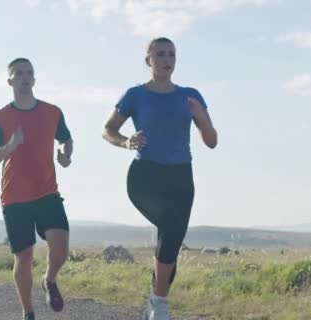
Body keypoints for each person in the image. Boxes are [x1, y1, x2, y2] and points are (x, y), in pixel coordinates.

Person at [102, 37, 217, 320]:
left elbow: (212, 141)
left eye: (172, 55)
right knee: (170, 228)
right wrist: (125, 142)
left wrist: (201, 117)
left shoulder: (190, 95)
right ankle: (160, 305)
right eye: (160, 54)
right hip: (146, 176)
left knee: (171, 238)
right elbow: (107, 129)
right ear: (148, 61)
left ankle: (155, 301)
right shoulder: (134, 95)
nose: (167, 59)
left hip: (181, 175)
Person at [0, 57, 73, 320]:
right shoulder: (0, 118)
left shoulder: (52, 112)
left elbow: (66, 139)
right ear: (10, 80)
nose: (24, 77)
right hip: (15, 197)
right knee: (23, 256)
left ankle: (50, 279)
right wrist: (9, 147)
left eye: (28, 73)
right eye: (18, 73)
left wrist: (65, 155)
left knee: (61, 248)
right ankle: (28, 312)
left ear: (34, 79)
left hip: (47, 191)